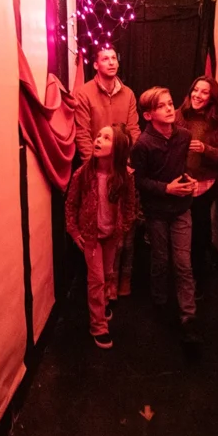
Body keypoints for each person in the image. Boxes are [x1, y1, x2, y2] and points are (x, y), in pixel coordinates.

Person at [130, 87, 201, 344]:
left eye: (170, 103)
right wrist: (165, 188)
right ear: (148, 115)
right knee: (160, 259)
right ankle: (159, 303)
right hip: (157, 211)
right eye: (162, 106)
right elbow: (139, 181)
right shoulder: (143, 145)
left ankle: (188, 317)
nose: (170, 108)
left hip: (181, 208)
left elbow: (180, 168)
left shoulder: (183, 136)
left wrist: (187, 180)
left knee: (183, 263)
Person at [73, 46, 141, 299]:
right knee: (101, 227)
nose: (111, 62)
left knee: (125, 227)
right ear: (96, 64)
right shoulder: (84, 93)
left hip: (124, 170)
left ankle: (123, 278)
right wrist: (93, 165)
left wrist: (130, 164)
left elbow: (134, 131)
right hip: (97, 169)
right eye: (105, 58)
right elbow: (82, 133)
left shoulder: (129, 94)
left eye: (114, 57)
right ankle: (104, 284)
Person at [65, 124, 137, 349]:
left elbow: (129, 206)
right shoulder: (83, 173)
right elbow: (71, 204)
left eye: (106, 138)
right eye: (98, 136)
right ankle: (98, 326)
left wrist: (122, 228)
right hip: (91, 237)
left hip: (111, 236)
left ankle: (104, 302)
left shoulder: (125, 177)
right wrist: (74, 231)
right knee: (96, 280)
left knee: (107, 274)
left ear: (117, 149)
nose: (98, 140)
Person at [176, 76, 218, 297]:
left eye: (204, 92)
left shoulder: (216, 121)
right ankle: (179, 277)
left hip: (204, 184)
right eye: (195, 90)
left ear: (211, 97)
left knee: (200, 232)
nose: (198, 95)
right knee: (178, 232)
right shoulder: (179, 115)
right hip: (180, 181)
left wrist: (205, 148)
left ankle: (197, 279)